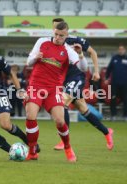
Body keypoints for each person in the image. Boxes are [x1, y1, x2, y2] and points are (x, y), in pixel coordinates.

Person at [24, 21, 89, 162]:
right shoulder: (42, 41)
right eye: (56, 34)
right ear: (53, 31)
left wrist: (81, 54)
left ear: (67, 35)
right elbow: (28, 62)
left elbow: (84, 68)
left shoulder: (69, 51)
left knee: (60, 121)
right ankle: (32, 151)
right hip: (36, 85)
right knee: (31, 115)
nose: (58, 38)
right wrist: (36, 58)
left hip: (54, 88)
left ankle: (67, 147)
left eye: (61, 35)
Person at [52, 18, 114, 151]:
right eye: (54, 31)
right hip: (63, 80)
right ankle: (107, 132)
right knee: (83, 109)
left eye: (60, 32)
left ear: (66, 32)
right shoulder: (50, 43)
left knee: (63, 103)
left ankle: (64, 141)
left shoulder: (75, 41)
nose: (57, 35)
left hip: (76, 77)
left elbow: (92, 52)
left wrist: (96, 71)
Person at [105, 44, 127, 121]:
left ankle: (126, 116)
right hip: (114, 83)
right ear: (118, 50)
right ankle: (113, 116)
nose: (121, 50)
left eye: (122, 49)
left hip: (125, 84)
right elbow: (109, 69)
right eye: (120, 49)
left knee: (126, 100)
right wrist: (106, 78)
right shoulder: (114, 58)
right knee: (113, 99)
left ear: (125, 50)